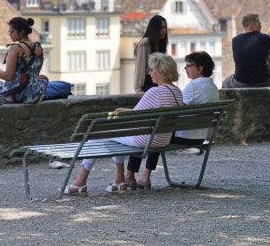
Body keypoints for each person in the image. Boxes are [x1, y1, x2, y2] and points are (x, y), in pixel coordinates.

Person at [64, 52, 184, 195]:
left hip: (147, 140)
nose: (150, 73)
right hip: (162, 139)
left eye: (152, 69)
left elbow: (134, 116)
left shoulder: (155, 92)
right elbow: (142, 113)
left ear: (160, 71)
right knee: (115, 135)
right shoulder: (177, 92)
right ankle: (119, 181)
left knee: (96, 134)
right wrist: (128, 111)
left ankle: (80, 182)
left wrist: (125, 112)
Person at [124, 51, 220, 189]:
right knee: (160, 129)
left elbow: (176, 110)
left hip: (185, 136)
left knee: (154, 130)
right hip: (200, 137)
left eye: (189, 65)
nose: (185, 68)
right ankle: (144, 175)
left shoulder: (193, 86)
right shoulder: (213, 87)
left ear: (200, 69)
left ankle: (134, 175)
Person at [0, 17, 45, 104]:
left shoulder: (15, 49)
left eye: (12, 31)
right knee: (44, 79)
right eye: (9, 31)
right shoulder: (38, 47)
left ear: (21, 32)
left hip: (17, 94)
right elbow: (36, 72)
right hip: (34, 94)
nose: (10, 34)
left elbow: (8, 76)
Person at [222, 14, 270, 88]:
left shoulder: (235, 40)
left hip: (240, 81)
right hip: (263, 80)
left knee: (225, 82)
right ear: (252, 25)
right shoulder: (265, 37)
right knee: (267, 53)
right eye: (259, 23)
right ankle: (265, 80)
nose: (261, 26)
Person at [133, 15, 168, 93]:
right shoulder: (145, 43)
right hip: (148, 84)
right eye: (161, 28)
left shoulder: (161, 44)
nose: (164, 31)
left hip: (159, 83)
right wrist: (138, 89)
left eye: (165, 27)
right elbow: (140, 67)